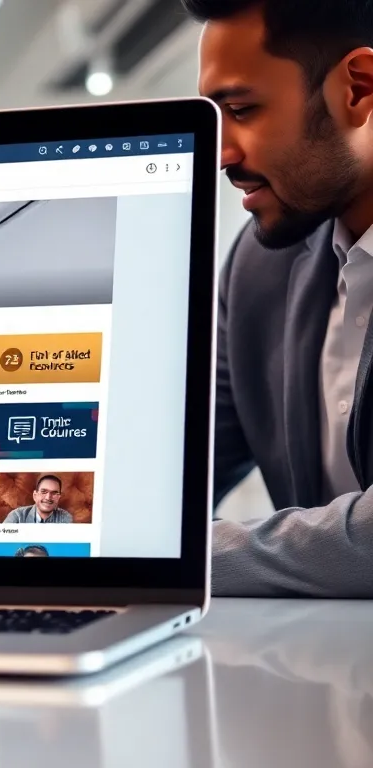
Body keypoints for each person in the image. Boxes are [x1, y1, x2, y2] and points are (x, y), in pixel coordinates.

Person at [188, 0, 373, 596]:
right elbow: (178, 473)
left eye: (242, 110)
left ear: (359, 89)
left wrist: (184, 556)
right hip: (309, 672)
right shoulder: (257, 266)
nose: (222, 153)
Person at [3, 476, 74, 524]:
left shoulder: (65, 517)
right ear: (35, 495)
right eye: (44, 492)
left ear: (59, 497)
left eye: (54, 493)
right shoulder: (17, 516)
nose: (48, 497)